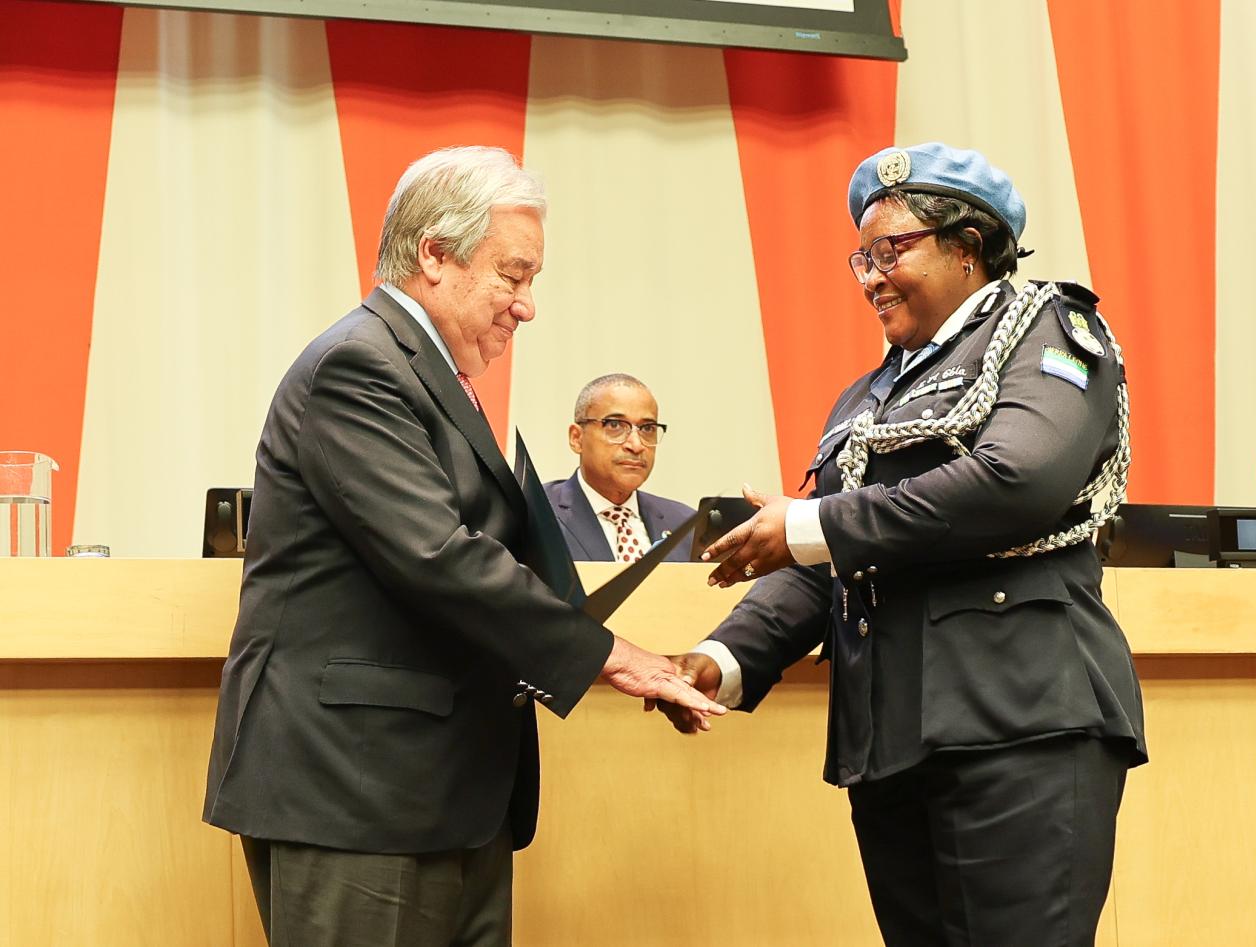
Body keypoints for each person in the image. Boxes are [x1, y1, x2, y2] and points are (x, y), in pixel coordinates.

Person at [202, 146, 723, 947]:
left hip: (442, 795)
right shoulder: (359, 365)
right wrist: (610, 653)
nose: (527, 305)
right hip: (356, 795)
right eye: (512, 276)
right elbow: (437, 555)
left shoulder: (428, 372)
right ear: (434, 256)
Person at [654, 143, 1147, 945]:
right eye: (863, 257)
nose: (872, 276)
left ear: (969, 247)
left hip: (1018, 724)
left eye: (893, 250)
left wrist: (810, 523)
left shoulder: (1050, 328)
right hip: (891, 742)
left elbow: (1019, 479)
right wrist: (725, 656)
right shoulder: (867, 395)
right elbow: (830, 557)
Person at [543, 373, 695, 562]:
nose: (636, 445)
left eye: (647, 428)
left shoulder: (686, 524)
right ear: (577, 438)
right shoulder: (536, 513)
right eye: (615, 425)